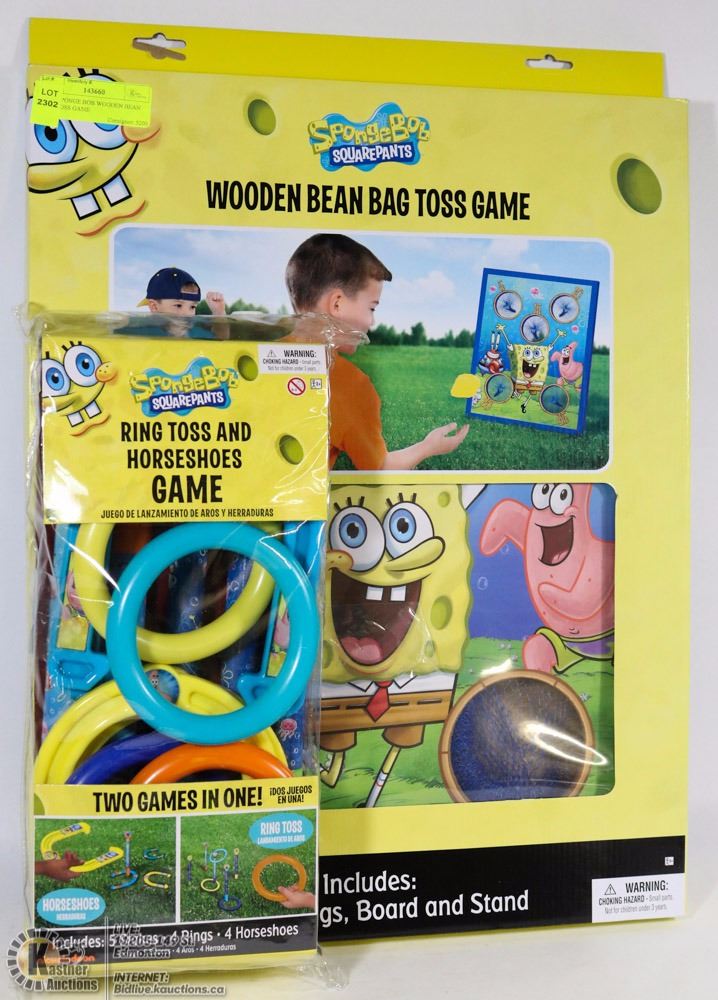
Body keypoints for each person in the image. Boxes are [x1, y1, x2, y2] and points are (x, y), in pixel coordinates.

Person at [286, 234, 468, 470]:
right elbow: (380, 468)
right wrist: (428, 447)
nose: (371, 322)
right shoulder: (350, 386)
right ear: (337, 304)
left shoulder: (261, 353)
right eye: (371, 308)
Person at [137, 267, 226, 335]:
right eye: (178, 305)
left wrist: (219, 312)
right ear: (154, 306)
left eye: (192, 307)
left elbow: (221, 339)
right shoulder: (142, 333)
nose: (187, 314)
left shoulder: (195, 333)